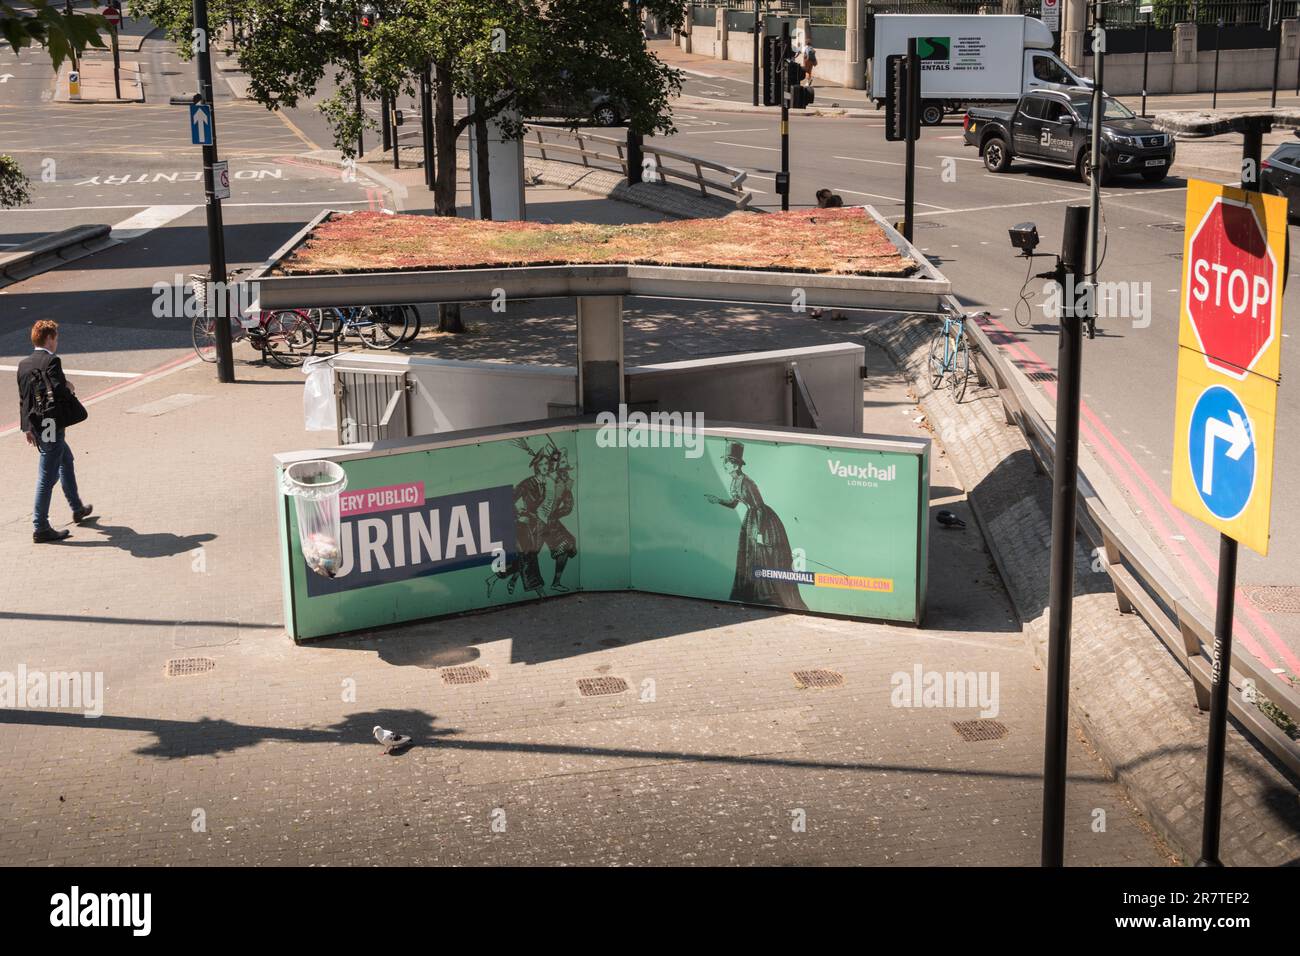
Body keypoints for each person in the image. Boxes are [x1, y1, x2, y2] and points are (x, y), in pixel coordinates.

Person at [705, 441, 807, 611]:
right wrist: (717, 500)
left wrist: (760, 531)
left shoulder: (748, 483)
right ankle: (754, 592)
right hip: (751, 519)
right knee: (750, 555)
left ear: (736, 464)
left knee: (764, 554)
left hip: (763, 519)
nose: (725, 466)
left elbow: (759, 506)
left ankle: (770, 593)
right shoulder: (734, 482)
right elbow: (733, 503)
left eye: (728, 463)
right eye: (725, 463)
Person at [18, 320, 92, 543]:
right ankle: (40, 527)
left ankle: (77, 507)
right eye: (56, 338)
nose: (57, 342)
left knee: (66, 459)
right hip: (51, 426)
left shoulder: (23, 364)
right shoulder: (51, 360)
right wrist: (69, 387)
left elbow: (24, 400)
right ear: (49, 339)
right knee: (47, 475)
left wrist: (27, 428)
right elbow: (59, 390)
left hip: (37, 426)